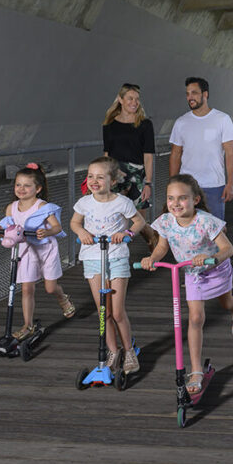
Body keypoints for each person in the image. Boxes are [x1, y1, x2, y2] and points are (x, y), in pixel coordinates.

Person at [141, 174, 233, 395]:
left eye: (182, 198)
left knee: (227, 303)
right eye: (171, 198)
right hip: (191, 272)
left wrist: (211, 257)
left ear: (195, 200)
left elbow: (228, 249)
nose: (175, 203)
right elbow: (161, 247)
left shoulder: (205, 221)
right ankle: (196, 370)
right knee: (195, 318)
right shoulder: (167, 221)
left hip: (215, 269)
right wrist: (152, 259)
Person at [70, 156, 146, 374]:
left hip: (116, 257)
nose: (94, 181)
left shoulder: (122, 202)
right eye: (91, 176)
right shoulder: (84, 202)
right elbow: (75, 222)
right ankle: (113, 351)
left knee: (118, 311)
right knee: (104, 312)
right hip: (93, 258)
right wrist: (82, 232)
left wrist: (126, 233)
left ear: (112, 181)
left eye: (100, 177)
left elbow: (139, 221)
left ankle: (129, 350)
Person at [0, 163, 75, 339]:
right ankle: (28, 325)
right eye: (18, 185)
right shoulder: (11, 208)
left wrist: (47, 231)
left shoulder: (43, 207)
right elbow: (6, 225)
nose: (21, 189)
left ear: (38, 189)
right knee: (27, 289)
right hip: (25, 251)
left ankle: (62, 297)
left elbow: (57, 228)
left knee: (50, 287)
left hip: (45, 249)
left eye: (27, 185)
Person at [169, 77, 233, 221]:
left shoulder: (222, 119)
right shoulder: (181, 122)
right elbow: (175, 154)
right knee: (185, 229)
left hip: (214, 185)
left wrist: (230, 184)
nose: (190, 97)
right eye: (187, 94)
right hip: (186, 186)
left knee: (216, 229)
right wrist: (173, 184)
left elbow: (230, 154)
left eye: (194, 93)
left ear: (205, 94)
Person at [102, 83, 156, 245]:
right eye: (130, 98)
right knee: (113, 218)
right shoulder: (109, 125)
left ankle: (153, 240)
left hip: (138, 176)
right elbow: (106, 154)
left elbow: (148, 156)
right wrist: (104, 177)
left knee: (139, 221)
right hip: (115, 175)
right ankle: (116, 256)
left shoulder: (145, 124)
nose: (134, 102)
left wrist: (148, 183)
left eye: (137, 99)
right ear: (120, 99)